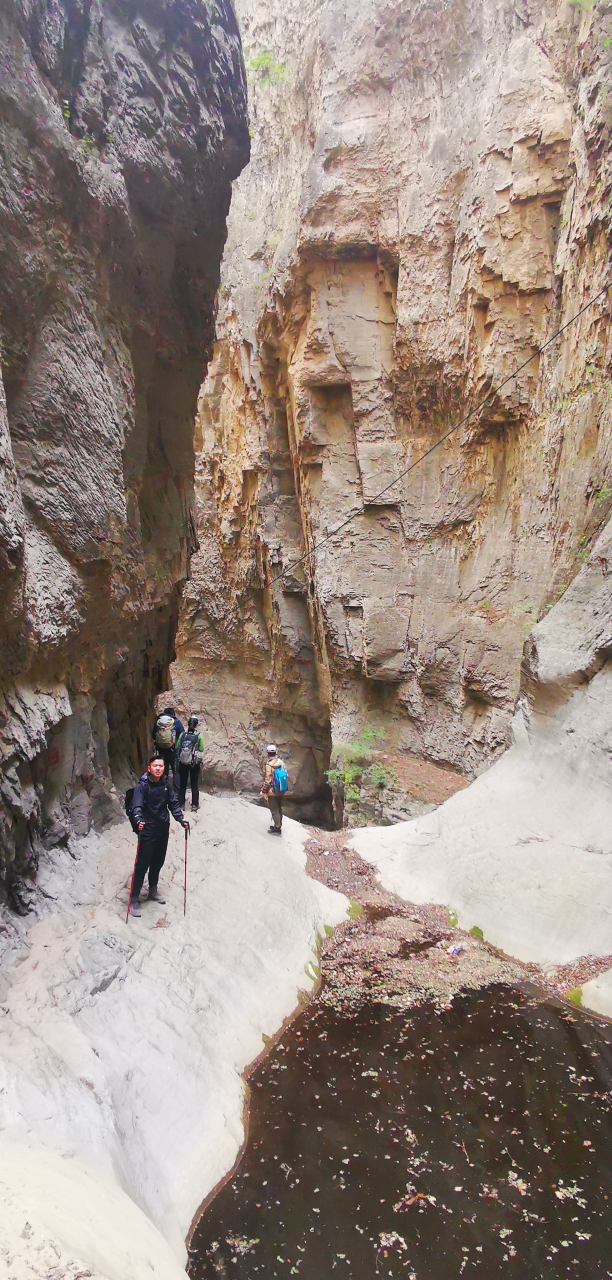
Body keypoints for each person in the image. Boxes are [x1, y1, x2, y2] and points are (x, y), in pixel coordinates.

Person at [129, 755, 189, 915]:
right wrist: (139, 820)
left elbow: (173, 803)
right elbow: (137, 806)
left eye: (161, 766)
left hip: (163, 829)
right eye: (155, 766)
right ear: (149, 768)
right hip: (148, 831)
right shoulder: (141, 787)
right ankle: (134, 898)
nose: (158, 768)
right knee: (142, 864)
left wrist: (181, 819)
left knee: (158, 861)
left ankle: (152, 890)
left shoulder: (165, 785)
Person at [175, 716, 205, 810]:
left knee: (182, 783)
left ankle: (181, 804)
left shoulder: (182, 735)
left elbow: (177, 746)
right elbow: (201, 749)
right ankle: (194, 805)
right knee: (194, 784)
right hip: (194, 763)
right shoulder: (199, 736)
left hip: (183, 762)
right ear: (196, 725)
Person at [151, 706, 184, 786]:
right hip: (173, 750)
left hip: (161, 750)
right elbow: (182, 735)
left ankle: (163, 790)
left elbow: (153, 734)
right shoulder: (176, 722)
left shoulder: (158, 722)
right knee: (175, 771)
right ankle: (176, 795)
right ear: (173, 714)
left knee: (163, 770)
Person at [261, 743, 286, 834]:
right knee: (279, 808)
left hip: (272, 791)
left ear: (267, 753)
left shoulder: (269, 765)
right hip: (281, 789)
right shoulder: (281, 762)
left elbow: (268, 780)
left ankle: (277, 828)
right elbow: (285, 774)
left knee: (274, 809)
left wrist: (263, 791)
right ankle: (279, 824)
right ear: (275, 753)